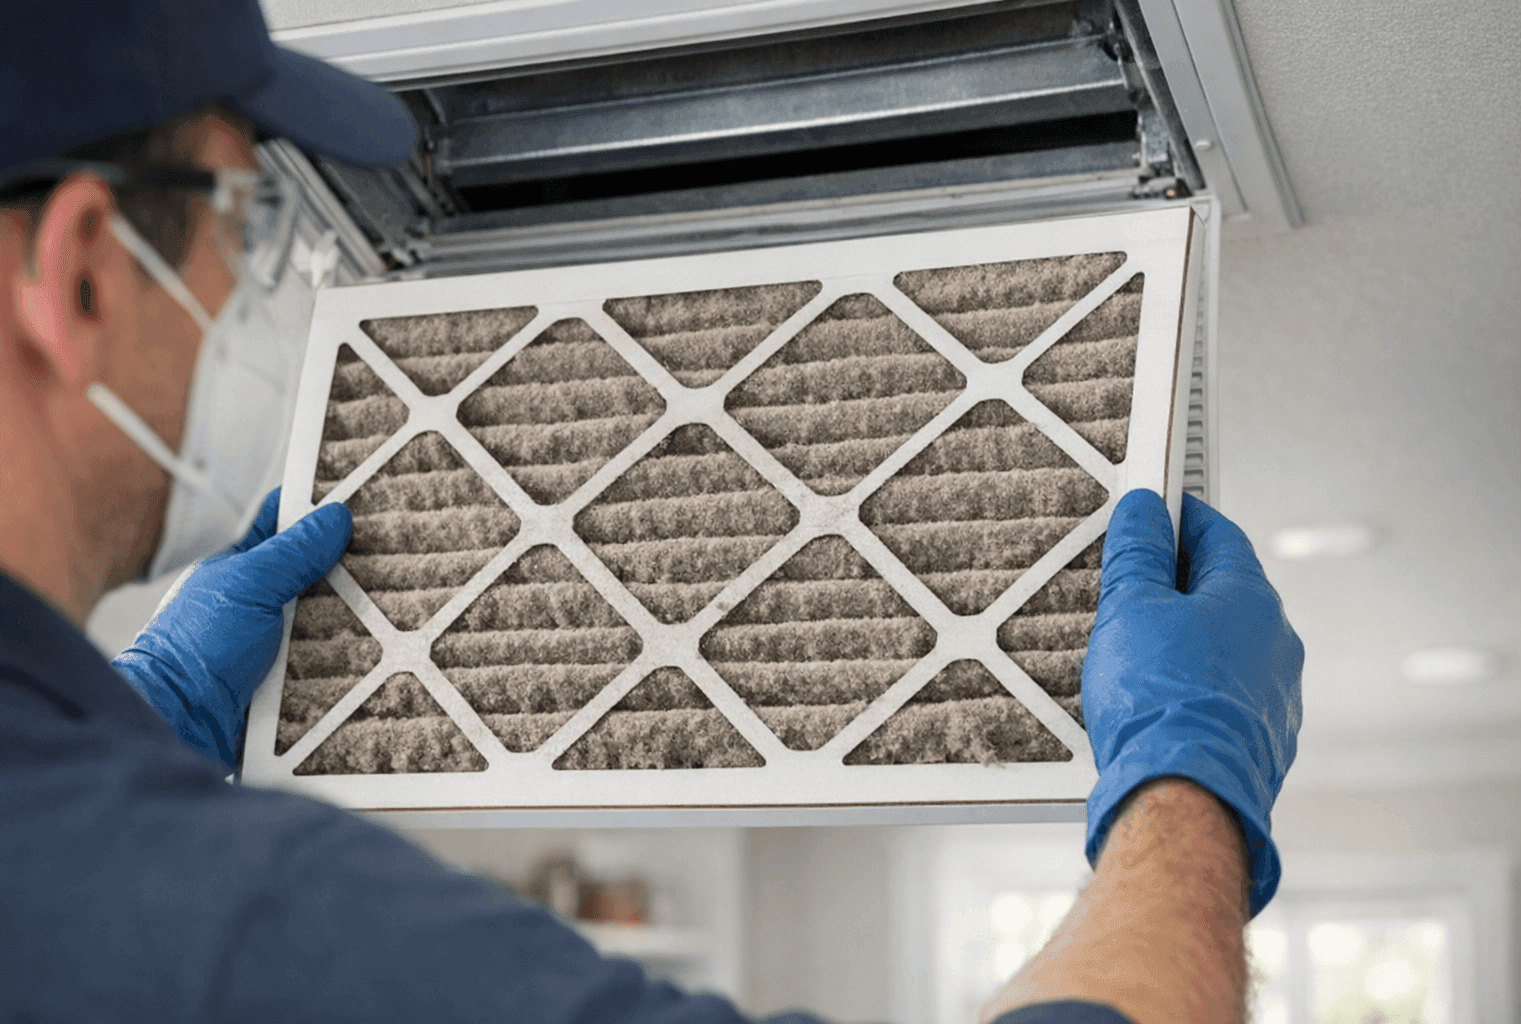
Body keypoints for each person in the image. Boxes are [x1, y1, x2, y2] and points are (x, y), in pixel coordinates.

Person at [0, 0, 1304, 1020]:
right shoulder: (242, 928)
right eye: (249, 213)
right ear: (81, 278)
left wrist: (149, 718)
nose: (252, 277)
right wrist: (1187, 788)